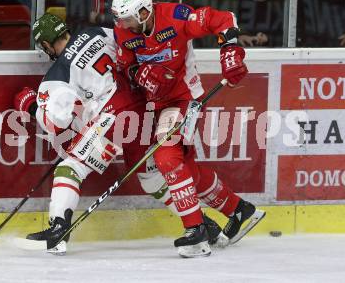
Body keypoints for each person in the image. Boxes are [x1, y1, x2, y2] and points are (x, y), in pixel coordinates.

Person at [13, 13, 225, 255]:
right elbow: (129, 45)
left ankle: (58, 228)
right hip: (144, 109)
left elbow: (57, 121)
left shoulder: (59, 73)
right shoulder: (96, 32)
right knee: (152, 178)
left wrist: (31, 107)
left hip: (114, 120)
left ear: (47, 45)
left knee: (70, 167)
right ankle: (205, 224)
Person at [112, 0, 265, 258]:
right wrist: (138, 74)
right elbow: (127, 65)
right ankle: (240, 210)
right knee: (186, 169)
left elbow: (223, 19)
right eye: (119, 18)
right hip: (155, 103)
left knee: (167, 158)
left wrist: (229, 52)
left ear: (145, 11)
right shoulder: (124, 31)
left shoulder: (176, 17)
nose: (122, 23)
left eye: (127, 17)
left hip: (184, 99)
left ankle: (196, 233)